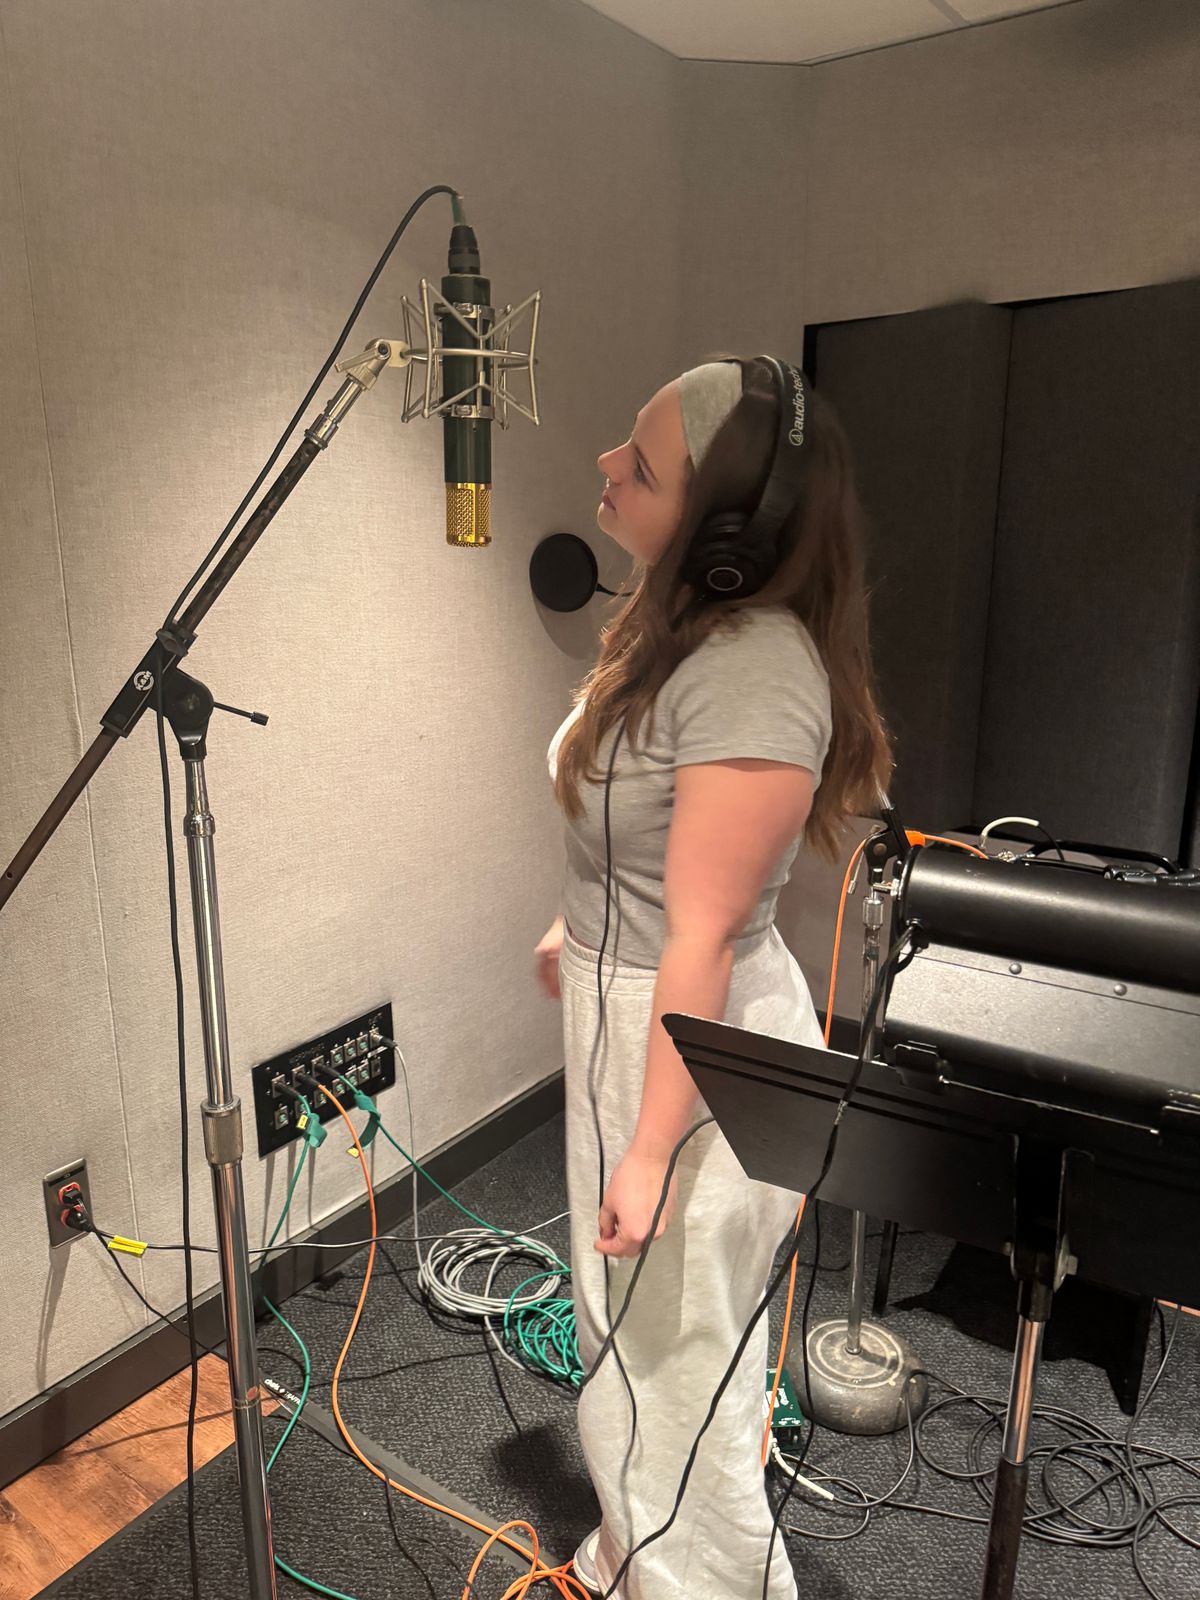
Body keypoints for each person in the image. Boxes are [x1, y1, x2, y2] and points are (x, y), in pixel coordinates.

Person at [535, 356, 892, 1599]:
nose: (605, 467)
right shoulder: (674, 628)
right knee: (629, 1333)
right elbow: (637, 821)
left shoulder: (753, 672)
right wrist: (577, 922)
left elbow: (701, 933)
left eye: (639, 465)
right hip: (629, 1005)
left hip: (690, 1047)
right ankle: (636, 1554)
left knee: (680, 1361)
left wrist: (647, 1150)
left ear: (726, 534)